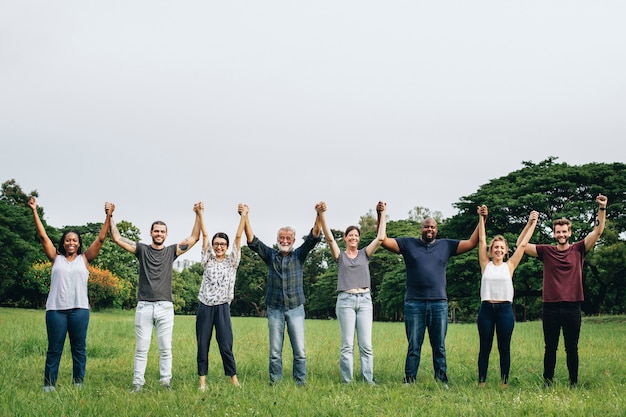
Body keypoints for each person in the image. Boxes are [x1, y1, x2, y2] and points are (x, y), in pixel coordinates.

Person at [109, 202, 203, 392]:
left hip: (165, 307)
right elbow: (117, 238)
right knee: (141, 348)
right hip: (144, 306)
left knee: (165, 348)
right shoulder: (142, 250)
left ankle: (165, 381)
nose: (159, 234)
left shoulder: (171, 252)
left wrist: (198, 214)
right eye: (156, 231)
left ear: (166, 235)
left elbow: (195, 237)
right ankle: (137, 383)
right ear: (151, 233)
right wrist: (110, 215)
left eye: (162, 231)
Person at [381, 213, 482, 387]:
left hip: (439, 303)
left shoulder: (446, 245)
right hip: (414, 303)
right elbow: (383, 240)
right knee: (414, 345)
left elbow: (472, 243)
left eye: (433, 227)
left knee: (439, 346)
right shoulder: (408, 244)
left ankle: (441, 380)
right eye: (426, 226)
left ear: (437, 230)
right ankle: (409, 380)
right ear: (421, 229)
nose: (430, 229)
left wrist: (482, 218)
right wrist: (380, 214)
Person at [521, 194, 608, 387]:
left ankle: (573, 383)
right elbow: (521, 245)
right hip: (550, 307)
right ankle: (547, 383)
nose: (561, 235)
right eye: (558, 232)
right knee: (550, 348)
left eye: (564, 232)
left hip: (572, 308)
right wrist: (530, 223)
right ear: (554, 234)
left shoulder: (578, 250)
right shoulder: (546, 251)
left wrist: (602, 208)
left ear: (569, 233)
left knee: (572, 348)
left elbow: (598, 231)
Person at [28, 197, 113, 392]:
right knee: (54, 349)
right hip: (56, 311)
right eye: (68, 240)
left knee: (79, 349)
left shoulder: (85, 259)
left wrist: (108, 215)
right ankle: (49, 386)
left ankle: (78, 383)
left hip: (79, 310)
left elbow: (100, 239)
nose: (71, 242)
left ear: (79, 243)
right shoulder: (55, 258)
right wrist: (34, 210)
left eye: (75, 240)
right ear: (63, 243)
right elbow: (43, 237)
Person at [244, 204, 321, 386]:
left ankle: (300, 383)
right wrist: (245, 216)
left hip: (295, 308)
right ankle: (275, 383)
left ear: (293, 240)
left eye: (288, 238)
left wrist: (318, 214)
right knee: (275, 351)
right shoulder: (270, 256)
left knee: (300, 351)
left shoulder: (299, 256)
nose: (284, 240)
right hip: (275, 309)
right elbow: (252, 240)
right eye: (281, 238)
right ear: (277, 239)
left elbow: (314, 236)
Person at [316, 201, 387, 386]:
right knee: (347, 345)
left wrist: (383, 213)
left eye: (356, 235)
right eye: (350, 235)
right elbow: (330, 238)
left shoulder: (365, 254)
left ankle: (367, 379)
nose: (353, 238)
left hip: (364, 301)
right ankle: (347, 381)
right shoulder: (340, 256)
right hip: (345, 301)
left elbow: (380, 238)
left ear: (359, 239)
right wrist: (322, 214)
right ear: (346, 238)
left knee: (366, 345)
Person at [476, 205, 538, 388]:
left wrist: (532, 222)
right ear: (491, 250)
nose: (498, 250)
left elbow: (524, 244)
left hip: (504, 310)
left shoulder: (509, 266)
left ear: (506, 251)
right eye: (495, 247)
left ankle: (504, 382)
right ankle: (482, 381)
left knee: (504, 347)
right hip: (486, 310)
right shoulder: (484, 265)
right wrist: (481, 218)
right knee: (485, 348)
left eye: (501, 248)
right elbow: (481, 240)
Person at [196, 203, 248, 390]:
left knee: (225, 344)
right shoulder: (207, 259)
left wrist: (243, 216)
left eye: (222, 244)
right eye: (216, 244)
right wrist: (200, 213)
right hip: (205, 306)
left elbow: (238, 237)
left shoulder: (232, 260)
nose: (219, 247)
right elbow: (205, 235)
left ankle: (233, 378)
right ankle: (202, 380)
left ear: (226, 247)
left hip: (222, 307)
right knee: (203, 343)